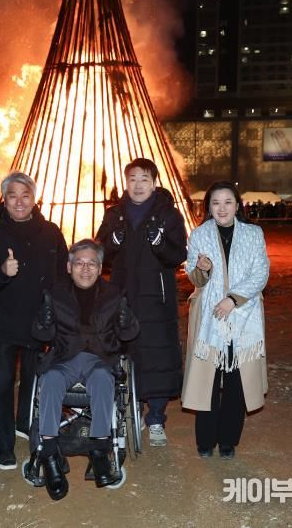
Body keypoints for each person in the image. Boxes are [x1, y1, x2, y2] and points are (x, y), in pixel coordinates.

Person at [30, 239, 139, 500]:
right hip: (64, 358)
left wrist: (127, 322)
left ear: (100, 268)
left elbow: (129, 334)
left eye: (92, 263)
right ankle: (50, 454)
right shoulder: (55, 294)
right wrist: (44, 322)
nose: (85, 269)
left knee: (102, 379)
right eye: (79, 263)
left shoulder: (115, 294)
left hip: (100, 358)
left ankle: (99, 450)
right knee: (51, 379)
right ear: (69, 267)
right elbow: (41, 334)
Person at [0, 172, 68, 470]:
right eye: (12, 195)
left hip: (40, 323)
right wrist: (2, 272)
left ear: (34, 199)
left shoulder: (51, 233)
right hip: (5, 323)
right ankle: (4, 446)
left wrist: (61, 312)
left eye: (25, 195)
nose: (19, 202)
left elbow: (63, 277)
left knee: (33, 380)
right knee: (2, 384)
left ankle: (24, 425)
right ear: (4, 199)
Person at [96, 158, 187, 447]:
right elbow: (100, 254)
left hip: (156, 298)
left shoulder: (169, 215)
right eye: (133, 179)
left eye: (144, 179)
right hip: (122, 296)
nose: (138, 185)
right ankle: (129, 409)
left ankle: (156, 417)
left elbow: (178, 255)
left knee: (157, 355)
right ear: (126, 183)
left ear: (155, 183)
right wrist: (112, 241)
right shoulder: (114, 215)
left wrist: (161, 243)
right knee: (125, 353)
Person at [182, 180, 269, 459]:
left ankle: (228, 441)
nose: (222, 208)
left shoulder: (253, 234)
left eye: (228, 202)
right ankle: (205, 441)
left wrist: (233, 299)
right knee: (207, 379)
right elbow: (195, 278)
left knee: (236, 381)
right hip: (210, 318)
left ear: (237, 205)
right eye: (216, 203)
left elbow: (261, 272)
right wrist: (202, 269)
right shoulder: (199, 235)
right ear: (208, 207)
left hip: (244, 314)